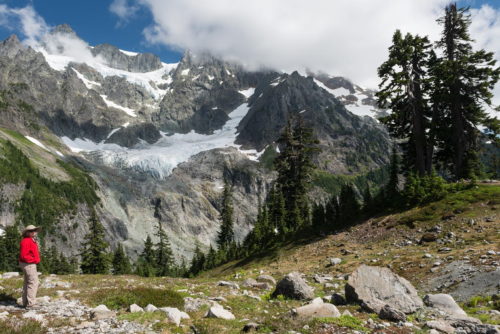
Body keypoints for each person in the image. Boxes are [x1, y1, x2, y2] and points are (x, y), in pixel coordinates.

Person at [19, 225, 41, 309]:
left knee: (27, 282)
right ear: (27, 232)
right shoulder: (26, 241)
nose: (34, 232)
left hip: (27, 264)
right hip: (28, 264)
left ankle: (25, 302)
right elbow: (24, 255)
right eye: (31, 231)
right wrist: (34, 260)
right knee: (33, 282)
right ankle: (31, 304)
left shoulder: (30, 240)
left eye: (34, 230)